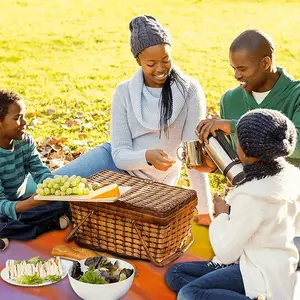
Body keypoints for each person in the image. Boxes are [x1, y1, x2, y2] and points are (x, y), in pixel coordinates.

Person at [51, 15, 212, 225]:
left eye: (166, 59)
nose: (161, 69)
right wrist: (146, 156)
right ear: (138, 61)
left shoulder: (190, 91)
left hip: (148, 185)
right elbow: (118, 155)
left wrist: (204, 209)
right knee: (49, 188)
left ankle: (63, 216)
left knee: (78, 209)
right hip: (113, 163)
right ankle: (14, 212)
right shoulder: (124, 92)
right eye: (151, 63)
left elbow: (193, 156)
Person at [166, 108, 300, 300]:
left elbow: (226, 253)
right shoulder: (292, 177)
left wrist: (222, 216)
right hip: (274, 265)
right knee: (175, 274)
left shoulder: (251, 197)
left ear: (244, 149)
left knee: (188, 293)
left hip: (258, 273)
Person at [195, 29, 300, 260]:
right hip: (247, 204)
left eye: (242, 69)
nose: (236, 76)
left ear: (266, 62)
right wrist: (216, 165)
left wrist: (235, 125)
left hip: (288, 208)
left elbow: (297, 143)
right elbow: (242, 160)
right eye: (233, 68)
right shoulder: (230, 99)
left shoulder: (296, 95)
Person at [0, 90, 70, 243]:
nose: (24, 122)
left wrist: (54, 189)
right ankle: (45, 225)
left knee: (64, 203)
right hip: (4, 208)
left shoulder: (25, 141)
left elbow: (39, 171)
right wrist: (29, 204)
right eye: (17, 118)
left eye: (24, 116)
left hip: (21, 201)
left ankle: (12, 233)